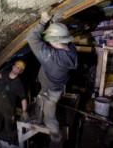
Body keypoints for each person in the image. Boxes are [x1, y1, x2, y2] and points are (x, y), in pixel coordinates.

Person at [27, 9, 78, 147]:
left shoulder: (51, 57)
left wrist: (43, 21)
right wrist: (54, 24)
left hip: (49, 92)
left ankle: (56, 141)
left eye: (50, 41)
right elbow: (59, 42)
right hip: (56, 88)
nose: (48, 43)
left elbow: (31, 38)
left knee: (50, 119)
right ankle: (37, 118)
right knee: (39, 100)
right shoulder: (71, 51)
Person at [0, 60, 29, 141]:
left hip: (9, 109)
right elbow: (1, 76)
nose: (16, 68)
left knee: (8, 126)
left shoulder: (19, 84)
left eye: (19, 68)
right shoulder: (6, 73)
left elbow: (23, 99)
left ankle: (9, 138)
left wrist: (24, 111)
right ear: (13, 66)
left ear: (20, 72)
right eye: (16, 65)